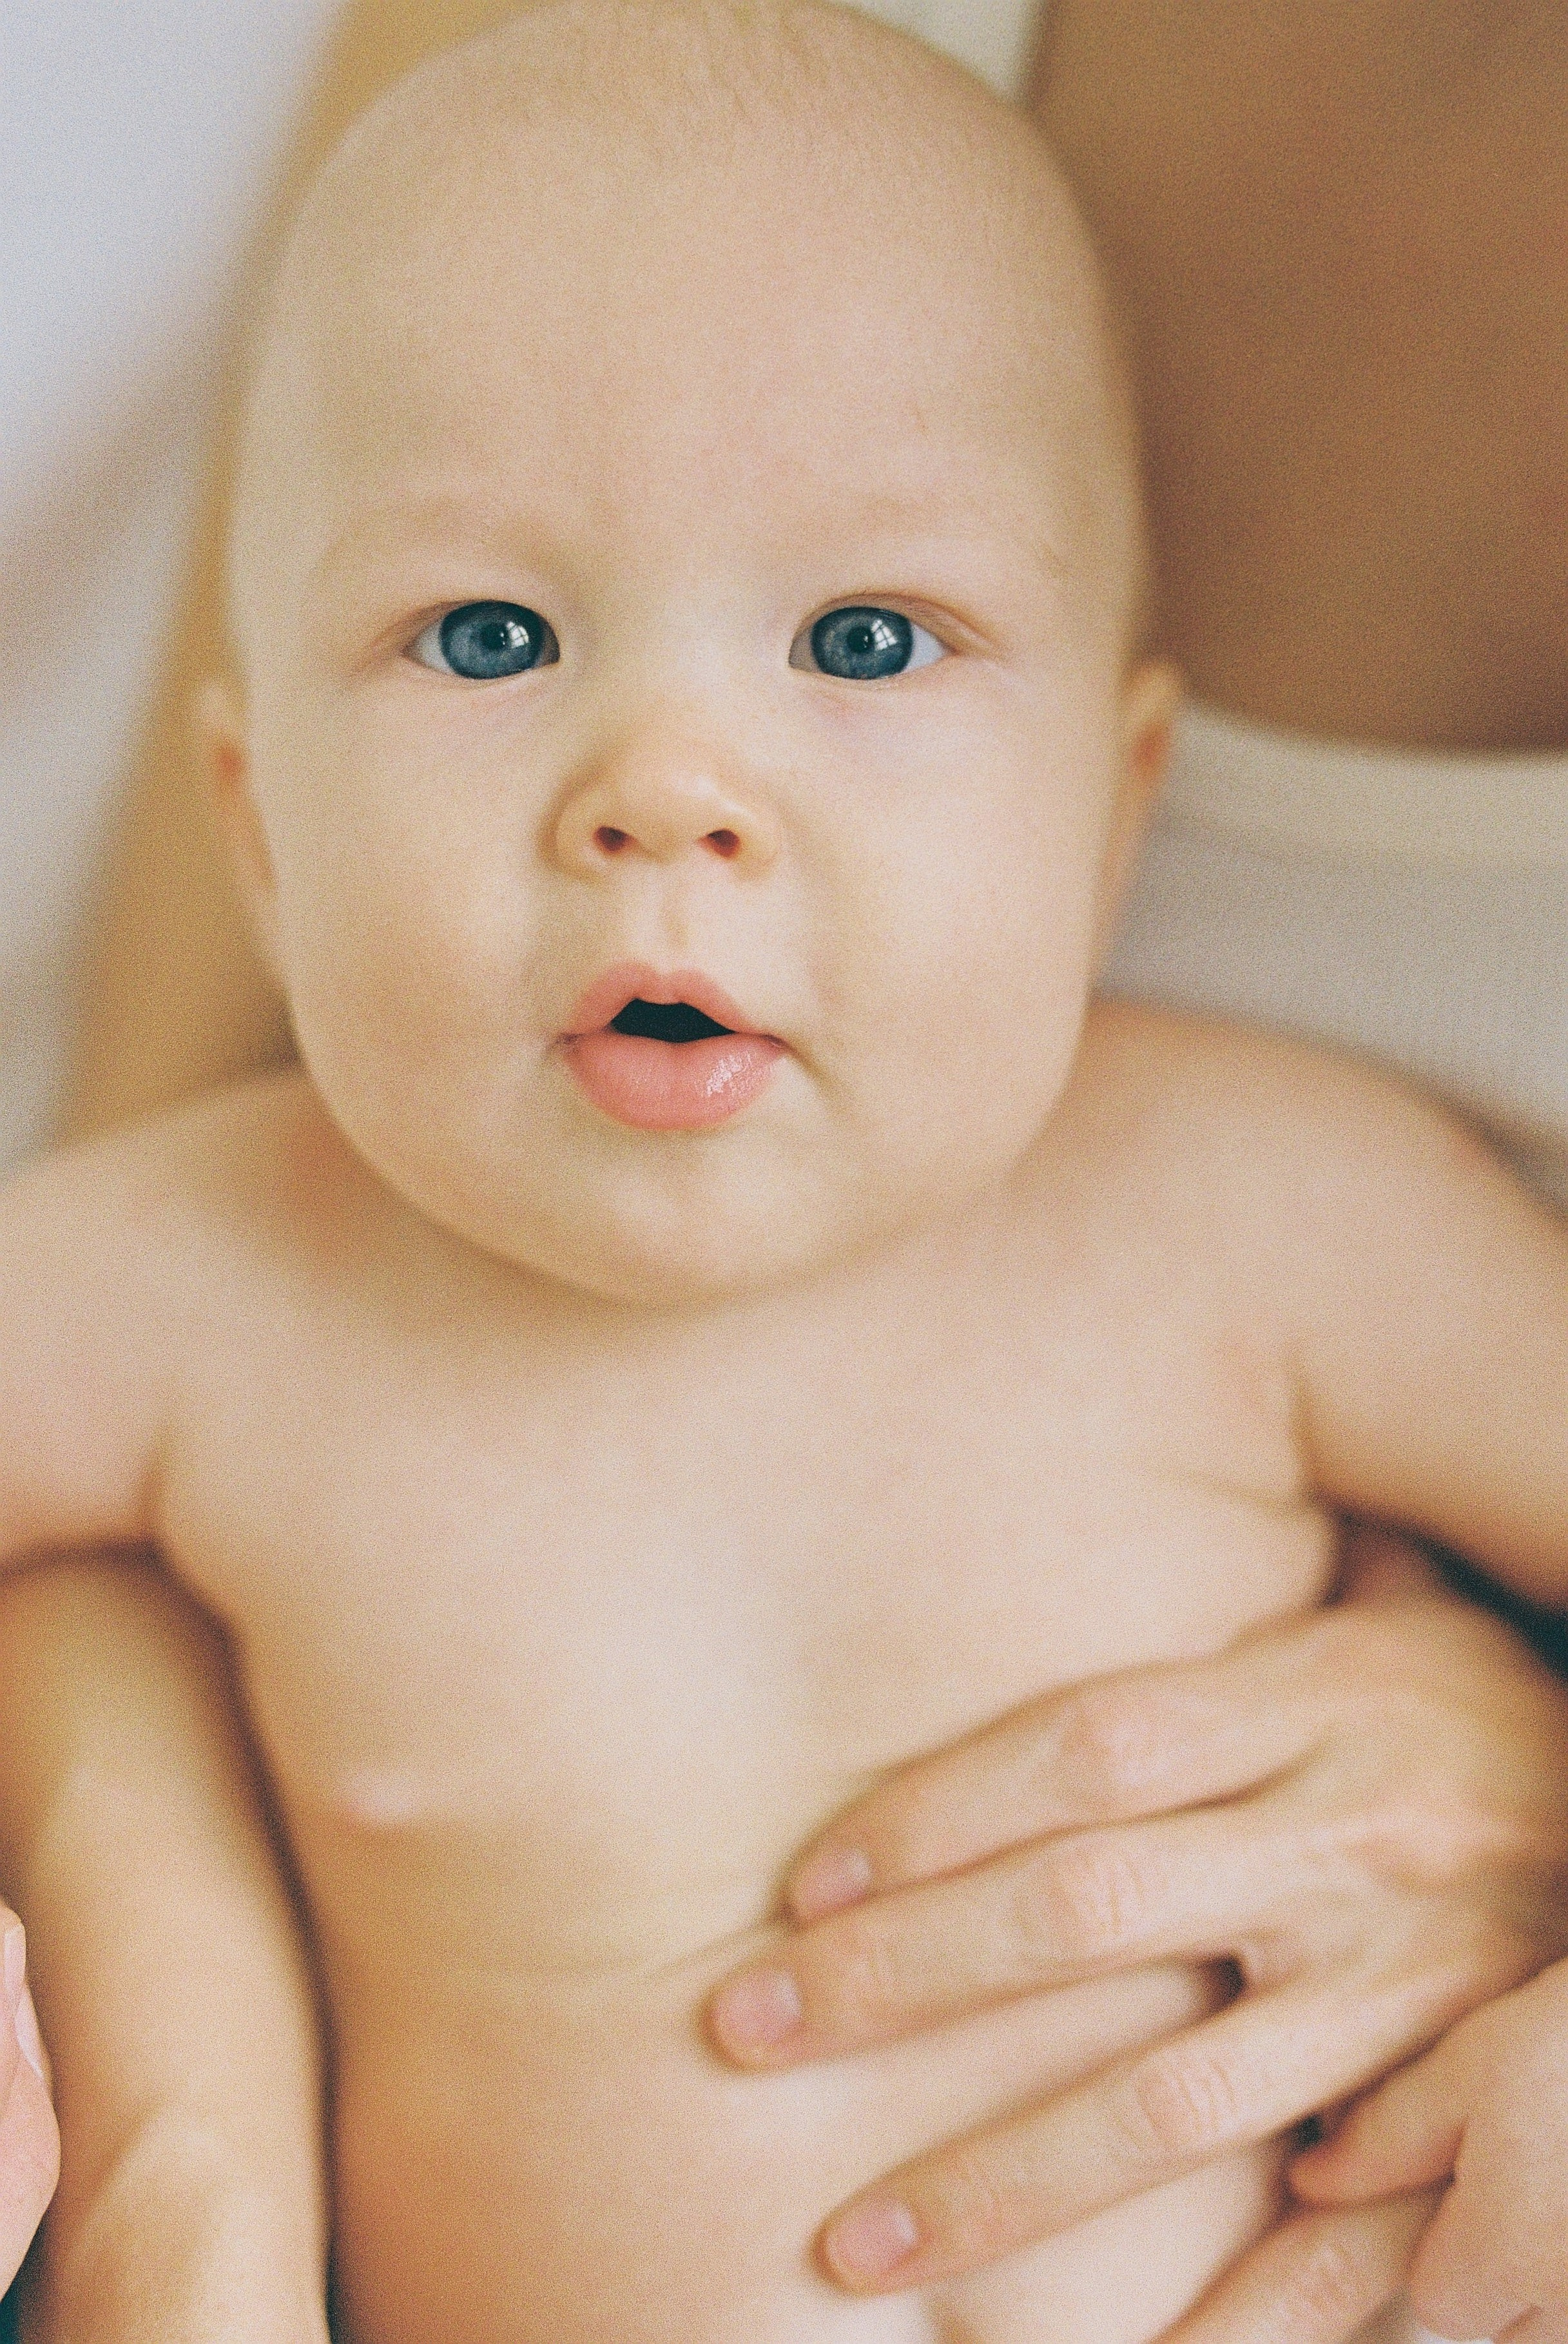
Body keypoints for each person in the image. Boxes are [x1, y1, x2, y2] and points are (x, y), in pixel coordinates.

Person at [4, 9, 1568, 2341]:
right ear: (254, 821)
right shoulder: (189, 1280)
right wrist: (156, 2142)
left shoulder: (1283, 1216)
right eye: (489, 634)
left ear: (1115, 795)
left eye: (864, 638)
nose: (667, 783)